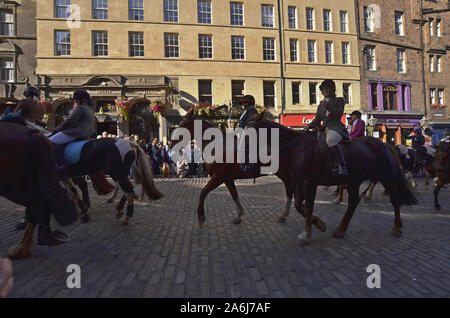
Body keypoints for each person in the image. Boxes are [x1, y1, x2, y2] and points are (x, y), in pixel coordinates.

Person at [304, 79, 349, 176]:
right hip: (324, 130)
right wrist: (308, 126)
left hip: (336, 128)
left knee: (331, 140)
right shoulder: (320, 105)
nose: (325, 90)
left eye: (328, 88)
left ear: (333, 89)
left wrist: (327, 105)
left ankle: (342, 166)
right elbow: (317, 119)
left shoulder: (339, 100)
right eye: (323, 89)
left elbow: (338, 114)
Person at [49, 89, 96, 165]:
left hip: (75, 133)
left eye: (75, 100)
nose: (74, 102)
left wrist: (56, 130)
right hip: (87, 134)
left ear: (81, 100)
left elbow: (69, 121)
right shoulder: (90, 109)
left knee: (49, 142)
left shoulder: (80, 108)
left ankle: (57, 163)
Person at [238, 95, 259, 174]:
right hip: (244, 131)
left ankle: (250, 166)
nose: (243, 104)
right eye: (243, 103)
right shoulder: (245, 110)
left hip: (250, 131)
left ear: (248, 103)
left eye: (244, 103)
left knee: (246, 147)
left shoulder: (252, 110)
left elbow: (251, 121)